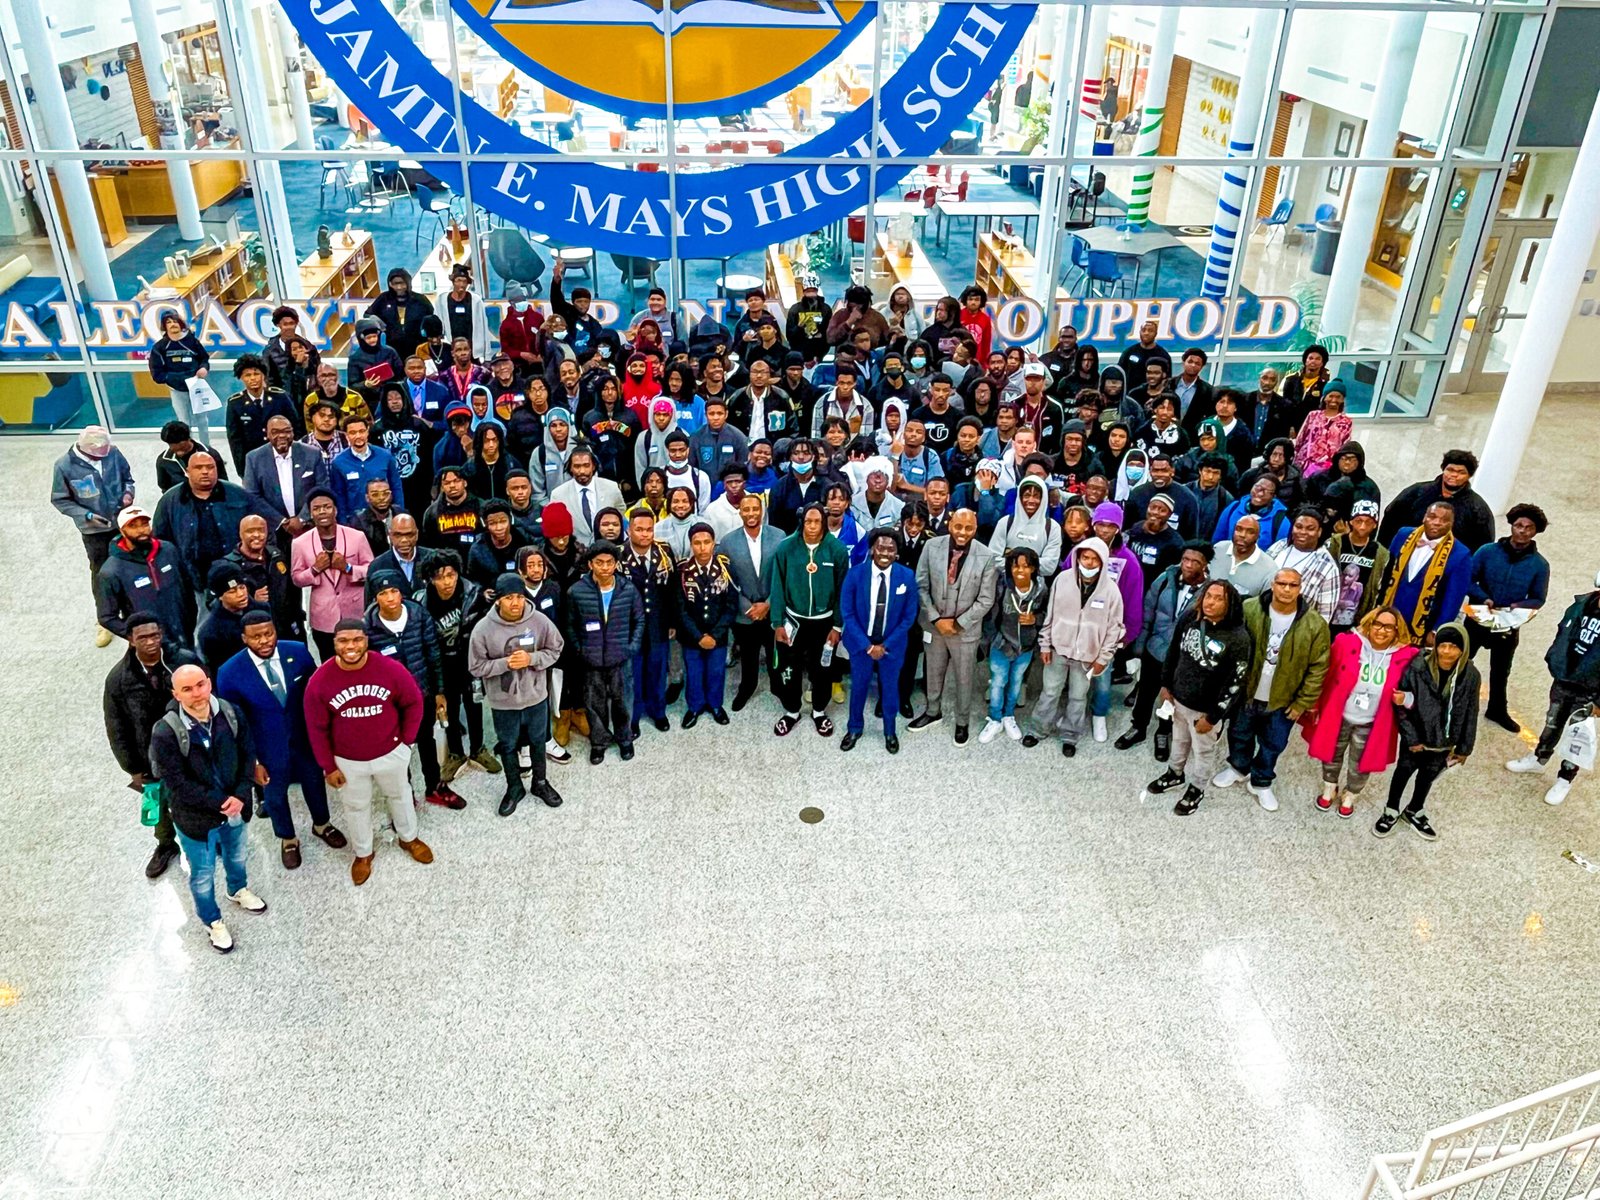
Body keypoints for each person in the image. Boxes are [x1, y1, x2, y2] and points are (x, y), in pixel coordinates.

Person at [302, 620, 432, 883]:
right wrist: (328, 766)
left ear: (366, 640)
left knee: (401, 796)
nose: (351, 646)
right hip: (348, 760)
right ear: (334, 643)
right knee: (355, 807)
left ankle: (409, 838)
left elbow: (414, 702)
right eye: (343, 641)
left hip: (390, 752)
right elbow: (316, 728)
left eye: (357, 640)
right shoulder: (320, 681)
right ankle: (363, 853)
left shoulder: (389, 668)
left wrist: (407, 742)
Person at [148, 664, 266, 952]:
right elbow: (176, 783)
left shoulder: (231, 713)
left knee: (237, 856)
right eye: (187, 689)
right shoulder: (166, 732)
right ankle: (212, 921)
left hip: (235, 808)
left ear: (209, 683)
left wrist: (240, 794)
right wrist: (219, 802)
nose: (196, 693)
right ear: (176, 694)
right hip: (196, 819)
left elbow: (248, 753)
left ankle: (237, 889)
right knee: (202, 875)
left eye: (200, 685)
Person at [215, 611, 347, 868]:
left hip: (305, 739)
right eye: (256, 637)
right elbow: (234, 724)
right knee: (274, 796)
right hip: (266, 749)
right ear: (244, 638)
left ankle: (322, 825)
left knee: (314, 784)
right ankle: (288, 838)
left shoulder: (298, 652)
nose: (264, 640)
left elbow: (316, 693)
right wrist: (252, 762)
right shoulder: (229, 672)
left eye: (269, 633)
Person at [1212, 569, 1330, 811]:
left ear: (1300, 589)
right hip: (1246, 692)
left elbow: (1318, 667)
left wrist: (1302, 703)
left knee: (1273, 743)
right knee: (1239, 733)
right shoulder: (1249, 609)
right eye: (1282, 583)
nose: (1286, 589)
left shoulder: (1315, 624)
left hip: (1283, 700)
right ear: (1273, 585)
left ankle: (1261, 781)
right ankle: (1238, 768)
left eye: (1293, 585)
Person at [1143, 580, 1251, 815]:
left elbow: (1235, 683)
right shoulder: (1191, 618)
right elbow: (1173, 651)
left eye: (1218, 598)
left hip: (1205, 711)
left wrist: (1213, 717)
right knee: (1179, 741)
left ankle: (1197, 788)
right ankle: (1174, 774)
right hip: (1179, 699)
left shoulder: (1238, 638)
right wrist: (1166, 685)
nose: (1210, 602)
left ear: (1230, 604)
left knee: (1203, 751)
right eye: (1208, 596)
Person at [103, 614, 198, 879]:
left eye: (154, 635)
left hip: (190, 748)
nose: (150, 642)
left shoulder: (183, 662)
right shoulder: (118, 680)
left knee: (197, 794)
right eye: (143, 637)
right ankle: (165, 844)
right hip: (149, 756)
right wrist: (132, 767)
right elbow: (116, 727)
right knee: (157, 807)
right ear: (131, 640)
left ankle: (205, 838)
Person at [1303, 605, 1418, 819]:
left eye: (1389, 627)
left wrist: (1407, 699)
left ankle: (1351, 794)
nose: (1381, 630)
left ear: (1397, 630)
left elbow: (1419, 691)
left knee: (1361, 762)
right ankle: (1329, 787)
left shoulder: (1408, 657)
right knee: (1331, 754)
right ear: (1369, 624)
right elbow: (1325, 674)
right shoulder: (1346, 643)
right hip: (1340, 715)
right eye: (1377, 624)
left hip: (1372, 721)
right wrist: (1314, 703)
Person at [466, 571, 565, 814]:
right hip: (503, 702)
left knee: (538, 742)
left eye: (519, 597)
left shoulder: (539, 621)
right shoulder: (483, 629)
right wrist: (505, 664)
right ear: (498, 600)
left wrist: (532, 659)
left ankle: (540, 783)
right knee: (508, 745)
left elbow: (556, 648)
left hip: (536, 696)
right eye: (509, 598)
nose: (515, 603)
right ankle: (514, 787)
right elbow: (476, 666)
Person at [1506, 571, 1600, 807]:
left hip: (1590, 689)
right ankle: (1539, 759)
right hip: (1565, 677)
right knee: (1552, 723)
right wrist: (1554, 658)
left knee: (1577, 735)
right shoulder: (1581, 605)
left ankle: (1565, 779)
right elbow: (1563, 632)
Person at [1024, 536, 1124, 756]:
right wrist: (1045, 645)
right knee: (1050, 692)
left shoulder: (1111, 591)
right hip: (1058, 649)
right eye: (1085, 557)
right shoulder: (1062, 580)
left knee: (1078, 698)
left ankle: (1070, 736)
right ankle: (1037, 729)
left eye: (1094, 559)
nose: (1089, 563)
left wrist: (1103, 658)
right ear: (1078, 557)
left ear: (1103, 561)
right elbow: (1050, 615)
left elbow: (1114, 629)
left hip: (1087, 656)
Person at [363, 570, 454, 809]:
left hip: (422, 694)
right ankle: (404, 794)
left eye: (394, 591)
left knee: (427, 740)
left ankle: (434, 786)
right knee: (398, 749)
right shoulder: (368, 628)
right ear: (375, 598)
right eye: (383, 593)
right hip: (391, 702)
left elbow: (433, 654)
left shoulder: (419, 615)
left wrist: (439, 691)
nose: (390, 598)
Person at [1379, 623, 1479, 840]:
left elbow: (1472, 711)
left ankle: (1415, 809)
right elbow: (1400, 705)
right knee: (1403, 772)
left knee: (1427, 777)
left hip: (1443, 742)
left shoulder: (1471, 676)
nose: (1447, 652)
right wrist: (1411, 738)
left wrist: (1465, 748)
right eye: (1442, 645)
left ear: (1463, 649)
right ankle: (1391, 808)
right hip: (1416, 739)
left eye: (1454, 647)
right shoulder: (1417, 667)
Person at [909, 508, 998, 745]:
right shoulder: (931, 547)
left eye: (969, 528)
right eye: (958, 526)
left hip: (965, 630)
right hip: (934, 626)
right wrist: (936, 619)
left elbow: (986, 599)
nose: (962, 532)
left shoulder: (987, 556)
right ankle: (932, 711)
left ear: (975, 529)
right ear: (950, 525)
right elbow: (920, 585)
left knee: (964, 677)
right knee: (933, 671)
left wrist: (958, 623)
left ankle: (962, 721)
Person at [1461, 503, 1551, 732]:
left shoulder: (1540, 565)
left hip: (1508, 625)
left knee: (1501, 671)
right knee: (1460, 660)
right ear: (1511, 525)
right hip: (1478, 618)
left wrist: (1516, 606)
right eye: (1519, 525)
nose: (1522, 531)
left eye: (1529, 527)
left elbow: (1538, 598)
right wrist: (1483, 597)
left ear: (1536, 531)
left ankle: (1497, 709)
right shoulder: (1487, 551)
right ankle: (1451, 698)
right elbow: (1467, 580)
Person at [1120, 541, 1211, 755]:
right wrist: (1138, 649)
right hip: (1155, 648)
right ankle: (1138, 726)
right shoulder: (1164, 579)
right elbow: (1148, 613)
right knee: (1145, 691)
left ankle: (1163, 731)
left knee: (1172, 697)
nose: (1188, 565)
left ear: (1205, 565)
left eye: (1195, 562)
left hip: (1183, 658)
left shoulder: (1210, 592)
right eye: (1185, 559)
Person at [768, 505, 851, 737]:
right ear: (802, 522)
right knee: (789, 667)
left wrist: (837, 625)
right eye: (808, 521)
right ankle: (792, 711)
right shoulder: (786, 548)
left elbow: (843, 590)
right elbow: (777, 585)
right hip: (793, 620)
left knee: (822, 668)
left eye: (817, 522)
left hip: (824, 622)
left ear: (824, 523)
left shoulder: (837, 550)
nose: (812, 526)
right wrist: (777, 622)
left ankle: (819, 711)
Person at [51, 425, 135, 645]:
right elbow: (60, 499)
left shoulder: (113, 452)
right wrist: (86, 515)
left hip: (121, 521)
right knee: (101, 573)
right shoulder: (64, 466)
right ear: (87, 449)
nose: (107, 455)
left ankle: (132, 608)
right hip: (95, 532)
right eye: (101, 453)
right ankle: (105, 620)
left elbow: (128, 478)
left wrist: (128, 493)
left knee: (129, 564)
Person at [837, 528, 918, 753]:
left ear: (897, 553)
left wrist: (885, 645)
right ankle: (854, 728)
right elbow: (847, 613)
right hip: (860, 644)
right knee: (859, 687)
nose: (885, 553)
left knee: (890, 689)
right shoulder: (855, 574)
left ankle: (890, 731)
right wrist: (867, 646)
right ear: (872, 549)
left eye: (891, 549)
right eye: (880, 548)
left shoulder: (907, 577)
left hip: (891, 646)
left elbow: (909, 617)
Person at [565, 540, 643, 763]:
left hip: (621, 657)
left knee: (623, 702)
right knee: (594, 703)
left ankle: (624, 739)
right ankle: (599, 742)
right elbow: (570, 625)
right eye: (599, 562)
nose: (605, 567)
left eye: (610, 562)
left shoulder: (628, 589)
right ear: (591, 564)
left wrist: (632, 647)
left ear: (616, 564)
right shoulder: (577, 591)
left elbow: (639, 620)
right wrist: (580, 649)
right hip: (591, 659)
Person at [290, 489, 373, 659]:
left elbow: (371, 570)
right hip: (323, 618)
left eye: (327, 507)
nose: (322, 511)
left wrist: (348, 568)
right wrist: (315, 569)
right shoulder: (299, 543)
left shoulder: (357, 537)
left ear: (335, 510)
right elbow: (296, 578)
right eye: (316, 508)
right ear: (310, 513)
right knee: (329, 661)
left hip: (355, 613)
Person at [98, 506, 197, 647]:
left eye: (144, 524)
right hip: (152, 646)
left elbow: (187, 586)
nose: (141, 530)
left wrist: (190, 619)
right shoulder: (111, 571)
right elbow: (107, 617)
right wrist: (139, 637)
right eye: (133, 526)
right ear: (122, 531)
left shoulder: (168, 550)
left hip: (184, 633)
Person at [1378, 502, 1473, 645]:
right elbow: (1386, 573)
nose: (1437, 522)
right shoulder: (1403, 535)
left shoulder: (1460, 554)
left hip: (1422, 626)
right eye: (1432, 517)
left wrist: (1436, 630)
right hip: (1389, 615)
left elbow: (1453, 599)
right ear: (1424, 517)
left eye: (1444, 520)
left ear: (1451, 524)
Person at [978, 547, 1046, 744]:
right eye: (1015, 566)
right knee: (998, 682)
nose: (1020, 571)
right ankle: (995, 718)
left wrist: (1035, 619)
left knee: (1016, 682)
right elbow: (990, 617)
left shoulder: (1041, 590)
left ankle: (1009, 715)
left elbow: (1047, 615)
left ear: (1033, 568)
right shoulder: (1002, 587)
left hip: (1025, 647)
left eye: (1026, 566)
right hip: (1001, 645)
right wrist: (993, 641)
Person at [720, 494, 782, 712]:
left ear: (762, 511)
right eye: (746, 509)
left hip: (772, 609)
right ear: (740, 512)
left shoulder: (779, 536)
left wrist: (769, 603)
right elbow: (726, 580)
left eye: (755, 509)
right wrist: (746, 606)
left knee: (775, 652)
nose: (751, 513)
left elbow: (783, 574)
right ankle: (747, 687)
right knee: (748, 654)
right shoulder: (728, 542)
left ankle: (778, 685)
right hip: (744, 612)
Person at [676, 523, 739, 727]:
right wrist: (698, 636)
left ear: (713, 543)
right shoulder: (682, 571)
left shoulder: (725, 569)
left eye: (707, 542)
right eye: (697, 543)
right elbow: (680, 609)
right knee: (693, 673)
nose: (702, 547)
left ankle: (715, 705)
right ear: (691, 545)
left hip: (717, 634)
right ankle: (694, 706)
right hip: (691, 635)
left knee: (716, 672)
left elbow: (731, 606)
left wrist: (715, 634)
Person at [621, 510, 677, 735]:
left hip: (658, 624)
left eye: (649, 529)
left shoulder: (664, 552)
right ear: (629, 530)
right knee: (632, 674)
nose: (645, 534)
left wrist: (672, 621)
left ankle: (658, 711)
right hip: (630, 627)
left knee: (657, 670)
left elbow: (672, 590)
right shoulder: (619, 556)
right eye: (639, 529)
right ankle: (633, 717)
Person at [1378, 450, 1497, 553]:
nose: (1454, 475)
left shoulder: (1477, 508)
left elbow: (1483, 545)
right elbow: (1390, 519)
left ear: (1469, 476)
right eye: (1450, 470)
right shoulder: (1417, 492)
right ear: (1443, 469)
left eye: (1461, 472)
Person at [242, 413, 326, 542]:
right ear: (267, 434)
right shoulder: (254, 458)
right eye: (275, 432)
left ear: (293, 433)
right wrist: (282, 521)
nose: (282, 436)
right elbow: (252, 495)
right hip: (273, 530)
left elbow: (322, 488)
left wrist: (302, 518)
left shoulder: (312, 454)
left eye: (287, 431)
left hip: (309, 526)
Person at [224, 353, 300, 474]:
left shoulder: (280, 397)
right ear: (241, 378)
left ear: (263, 375)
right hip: (254, 462)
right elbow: (235, 441)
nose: (253, 378)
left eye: (256, 374)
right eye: (248, 375)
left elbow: (295, 427)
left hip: (282, 456)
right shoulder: (235, 403)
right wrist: (243, 471)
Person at [1326, 499, 1390, 636]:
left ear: (1375, 525)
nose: (1362, 526)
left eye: (1368, 522)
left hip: (1358, 616)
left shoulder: (1381, 553)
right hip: (1328, 609)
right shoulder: (1334, 543)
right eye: (1358, 521)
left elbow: (1381, 587)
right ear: (1351, 521)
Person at [1265, 508, 1340, 623]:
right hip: (1261, 618)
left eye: (1310, 529)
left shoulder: (1327, 567)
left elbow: (1323, 618)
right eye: (1298, 527)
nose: (1303, 532)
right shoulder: (1279, 547)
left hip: (1294, 627)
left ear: (1319, 532)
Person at [149, 311, 213, 440]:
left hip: (197, 387)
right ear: (164, 326)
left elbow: (204, 358)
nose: (173, 324)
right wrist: (172, 379)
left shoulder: (192, 342)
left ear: (181, 323)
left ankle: (206, 447)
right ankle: (188, 449)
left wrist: (203, 368)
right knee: (184, 422)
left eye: (175, 321)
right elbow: (157, 373)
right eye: (169, 322)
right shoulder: (160, 347)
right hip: (177, 391)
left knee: (202, 421)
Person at [329, 414, 404, 519]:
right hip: (355, 520)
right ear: (346, 435)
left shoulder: (385, 456)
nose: (358, 436)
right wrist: (343, 522)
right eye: (353, 433)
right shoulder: (338, 462)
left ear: (367, 431)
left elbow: (396, 487)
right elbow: (339, 496)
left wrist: (399, 515)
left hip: (384, 517)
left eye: (362, 431)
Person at [549, 448, 625, 544]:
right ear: (570, 468)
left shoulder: (611, 487)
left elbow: (620, 512)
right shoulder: (558, 495)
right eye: (577, 466)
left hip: (607, 548)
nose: (582, 471)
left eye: (586, 465)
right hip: (575, 549)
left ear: (593, 466)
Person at [365, 266, 435, 360]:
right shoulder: (384, 299)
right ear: (390, 284)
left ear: (408, 283)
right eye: (395, 284)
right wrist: (380, 325)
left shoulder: (420, 300)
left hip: (417, 347)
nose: (399, 287)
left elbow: (432, 319)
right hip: (392, 348)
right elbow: (368, 315)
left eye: (402, 283)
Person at [196, 563, 252, 672]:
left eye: (242, 587)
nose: (241, 594)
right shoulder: (211, 633)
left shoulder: (262, 610)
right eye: (232, 591)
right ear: (220, 596)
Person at [1292, 379, 1352, 475]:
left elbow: (1345, 445)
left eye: (1338, 397)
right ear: (1324, 398)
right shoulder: (1313, 415)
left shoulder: (1346, 422)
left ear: (1342, 400)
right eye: (1331, 396)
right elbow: (1300, 439)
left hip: (1330, 469)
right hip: (1306, 465)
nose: (1334, 400)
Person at [421, 465, 483, 557]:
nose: (452, 486)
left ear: (465, 483)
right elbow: (429, 546)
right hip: (445, 562)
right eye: (447, 483)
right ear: (442, 487)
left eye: (456, 481)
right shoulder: (432, 513)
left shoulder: (481, 507)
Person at [156, 420, 227, 493]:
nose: (179, 453)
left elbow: (223, 482)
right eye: (175, 450)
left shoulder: (211, 455)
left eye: (183, 449)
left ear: (189, 439)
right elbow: (165, 488)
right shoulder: (163, 461)